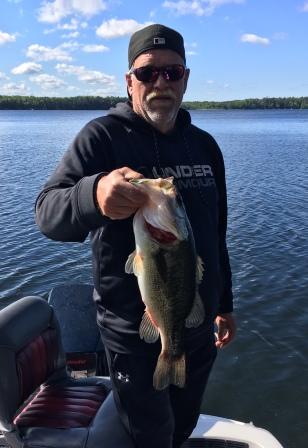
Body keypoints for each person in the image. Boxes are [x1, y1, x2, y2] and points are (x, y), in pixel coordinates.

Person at [35, 23, 236, 448]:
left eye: (172, 72)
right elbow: (47, 214)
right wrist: (94, 195)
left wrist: (225, 304)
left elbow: (216, 235)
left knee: (182, 424)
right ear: (129, 82)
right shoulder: (101, 138)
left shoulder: (205, 147)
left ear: (186, 78)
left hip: (196, 324)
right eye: (147, 73)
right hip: (132, 333)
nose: (160, 82)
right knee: (148, 434)